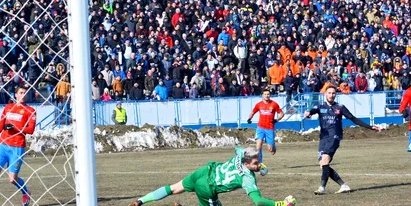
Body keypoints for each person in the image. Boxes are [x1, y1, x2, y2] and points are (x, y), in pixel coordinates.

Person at [128, 146, 297, 206]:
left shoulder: (241, 154)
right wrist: (280, 204)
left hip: (203, 171)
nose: (258, 165)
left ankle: (140, 201)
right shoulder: (247, 178)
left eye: (259, 161)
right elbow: (259, 202)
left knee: (173, 188)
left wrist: (259, 165)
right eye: (255, 163)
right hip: (207, 187)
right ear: (246, 164)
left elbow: (238, 148)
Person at [304, 84, 381, 195]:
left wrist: (370, 126)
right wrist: (308, 113)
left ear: (336, 94)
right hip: (323, 138)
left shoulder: (340, 107)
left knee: (325, 160)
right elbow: (311, 111)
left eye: (333, 93)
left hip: (334, 137)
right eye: (329, 93)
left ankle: (322, 188)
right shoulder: (320, 106)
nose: (331, 95)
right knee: (323, 165)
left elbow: (353, 118)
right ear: (325, 94)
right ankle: (343, 185)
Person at [0, 86, 36, 206]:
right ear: (16, 95)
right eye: (21, 92)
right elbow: (1, 123)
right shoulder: (8, 107)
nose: (23, 95)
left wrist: (15, 127)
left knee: (12, 179)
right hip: (3, 144)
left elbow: (30, 130)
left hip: (17, 147)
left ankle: (26, 192)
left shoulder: (30, 111)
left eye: (25, 93)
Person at [247, 88, 284, 175]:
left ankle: (273, 146)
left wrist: (276, 120)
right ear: (262, 95)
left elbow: (282, 114)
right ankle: (260, 164)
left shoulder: (274, 104)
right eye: (265, 94)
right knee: (258, 146)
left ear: (269, 95)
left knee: (271, 150)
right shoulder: (259, 105)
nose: (267, 95)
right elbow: (253, 112)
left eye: (268, 94)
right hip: (260, 128)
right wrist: (249, 118)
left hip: (269, 129)